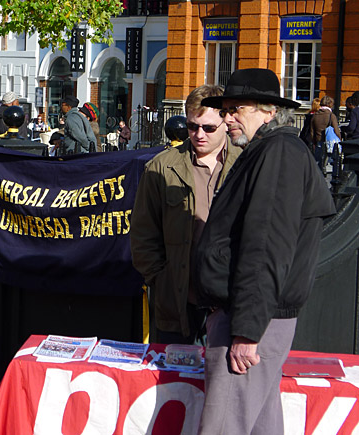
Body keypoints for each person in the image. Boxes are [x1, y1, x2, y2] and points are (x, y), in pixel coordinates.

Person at [193, 68, 335, 435]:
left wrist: (246, 331)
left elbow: (266, 245)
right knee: (258, 425)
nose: (227, 119)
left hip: (253, 319)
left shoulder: (279, 152)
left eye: (235, 109)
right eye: (224, 110)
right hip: (252, 316)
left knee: (224, 426)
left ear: (269, 111)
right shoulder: (270, 151)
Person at [130, 84, 241, 345]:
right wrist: (161, 280)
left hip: (229, 303)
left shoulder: (245, 164)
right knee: (174, 382)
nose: (199, 135)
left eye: (209, 128)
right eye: (192, 126)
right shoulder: (161, 166)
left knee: (221, 384)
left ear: (226, 122)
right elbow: (143, 233)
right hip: (177, 304)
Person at [310, 95, 341, 174]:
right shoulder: (331, 116)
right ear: (330, 104)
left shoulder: (315, 116)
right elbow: (336, 130)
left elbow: (312, 132)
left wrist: (314, 142)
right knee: (330, 167)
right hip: (329, 143)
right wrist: (339, 139)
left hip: (319, 142)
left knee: (318, 166)